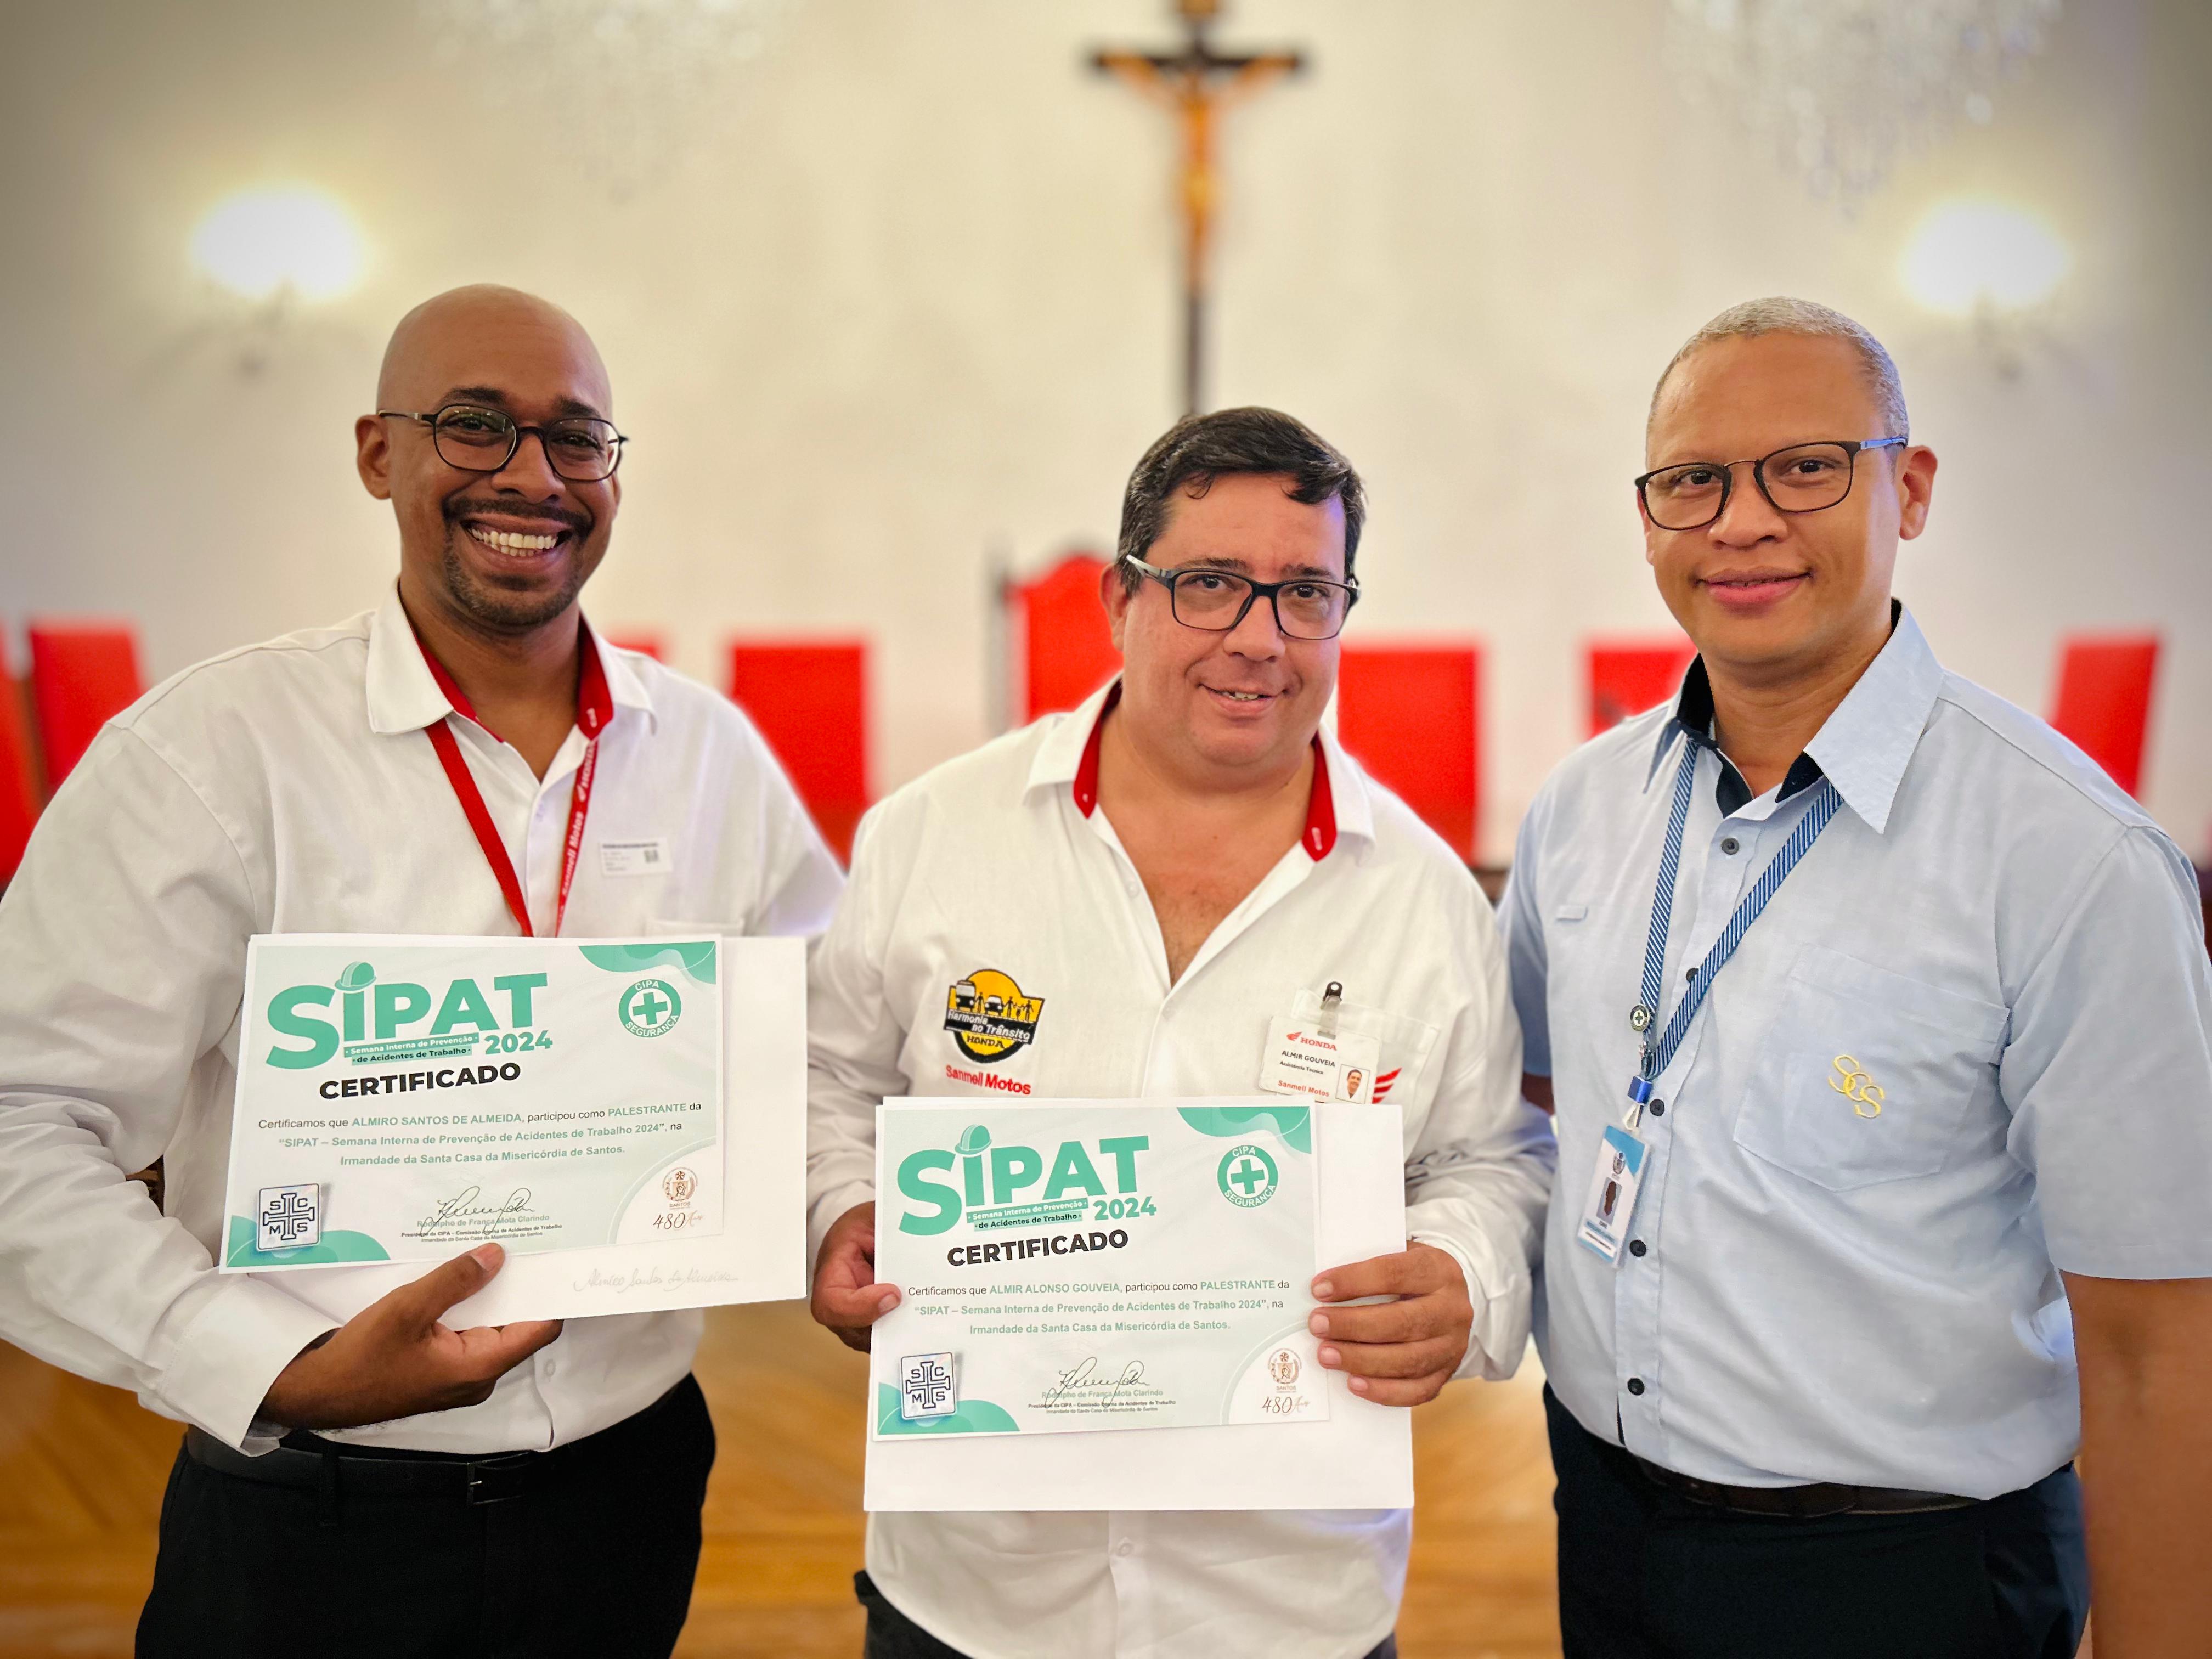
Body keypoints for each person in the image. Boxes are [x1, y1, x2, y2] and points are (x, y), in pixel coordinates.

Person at [0, 285, 841, 1656]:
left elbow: (810, 1050)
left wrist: (838, 1213)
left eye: (577, 438)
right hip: (312, 1515)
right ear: (378, 453)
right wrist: (265, 1363)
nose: (533, 476)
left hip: (629, 1488)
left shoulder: (707, 756)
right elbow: (21, 1117)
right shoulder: (211, 754)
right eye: (474, 425)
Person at [1503, 296, 2212, 1657]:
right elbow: (1543, 1098)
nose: (1742, 522)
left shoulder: (2070, 858)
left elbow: (2157, 1345)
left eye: (1807, 468)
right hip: (1603, 1521)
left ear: (1913, 489)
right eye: (1693, 481)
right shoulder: (1581, 809)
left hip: (1905, 1572)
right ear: (1648, 517)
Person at [807, 407, 1556, 1659]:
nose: (1259, 638)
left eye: (1306, 593)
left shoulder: (1424, 898)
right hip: (975, 1592)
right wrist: (840, 1207)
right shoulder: (933, 838)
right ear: (1122, 598)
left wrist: (1461, 1274)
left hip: (1288, 1602)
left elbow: (1490, 1157)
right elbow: (833, 1076)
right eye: (1210, 584)